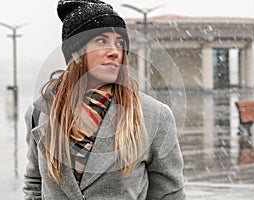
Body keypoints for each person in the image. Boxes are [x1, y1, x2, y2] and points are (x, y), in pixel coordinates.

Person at [23, 0, 186, 199]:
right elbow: (34, 184)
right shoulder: (40, 112)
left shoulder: (155, 116)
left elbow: (169, 195)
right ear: (75, 51)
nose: (114, 51)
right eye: (101, 41)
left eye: (120, 43)